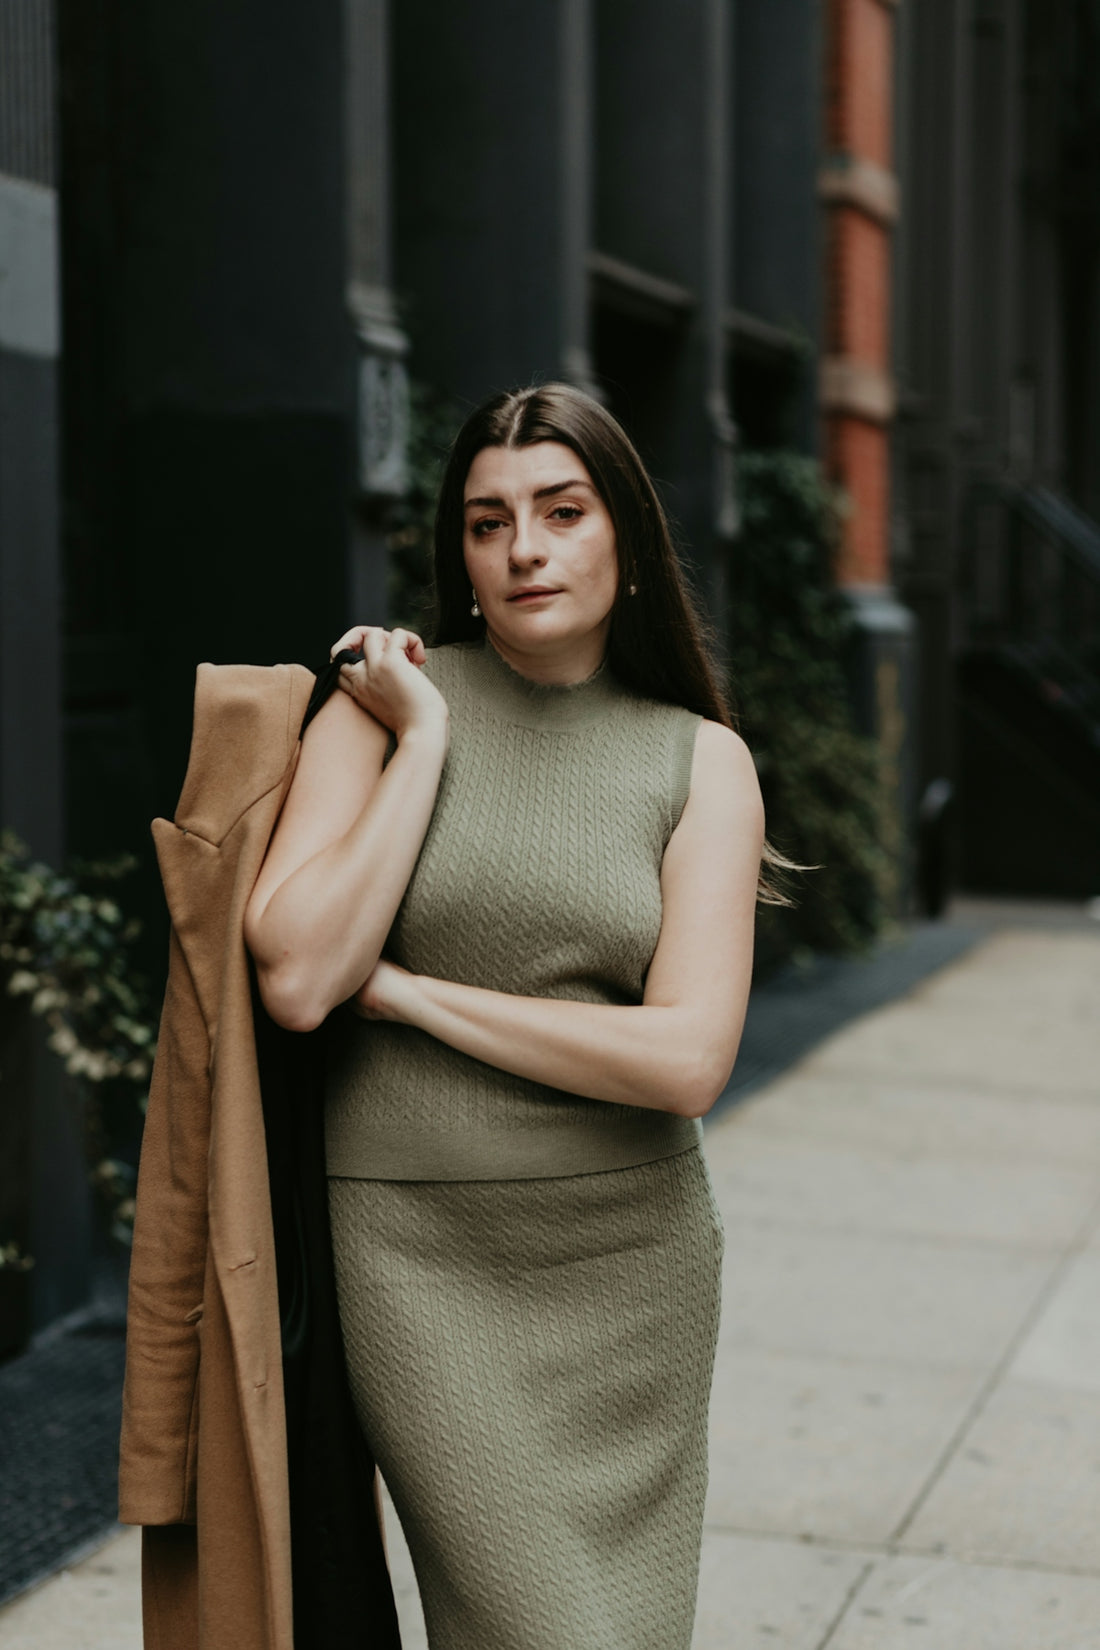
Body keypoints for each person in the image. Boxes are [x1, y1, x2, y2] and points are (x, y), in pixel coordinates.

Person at [243, 383, 775, 1650]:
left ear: (626, 539)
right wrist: (422, 740)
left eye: (561, 510)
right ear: (459, 552)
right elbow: (304, 974)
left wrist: (418, 997)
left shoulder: (696, 759)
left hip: (629, 1261)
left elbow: (688, 1057)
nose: (524, 547)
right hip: (414, 1255)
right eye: (488, 522)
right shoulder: (372, 713)